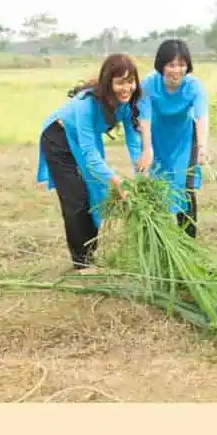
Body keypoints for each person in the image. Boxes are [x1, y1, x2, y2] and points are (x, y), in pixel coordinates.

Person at [35, 53, 153, 272]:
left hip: (82, 140)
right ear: (108, 82)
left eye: (131, 81)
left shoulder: (127, 104)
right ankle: (81, 263)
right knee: (76, 197)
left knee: (94, 193)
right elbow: (90, 154)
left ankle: (89, 255)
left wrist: (142, 179)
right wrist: (117, 182)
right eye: (120, 82)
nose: (126, 88)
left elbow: (134, 145)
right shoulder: (86, 105)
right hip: (59, 138)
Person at [138, 39, 212, 237]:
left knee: (184, 187)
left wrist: (203, 147)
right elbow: (143, 118)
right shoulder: (148, 85)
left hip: (185, 140)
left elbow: (200, 116)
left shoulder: (194, 86)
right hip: (156, 139)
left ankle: (188, 242)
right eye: (171, 65)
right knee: (155, 185)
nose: (176, 70)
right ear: (161, 65)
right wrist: (146, 149)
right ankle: (157, 238)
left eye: (181, 64)